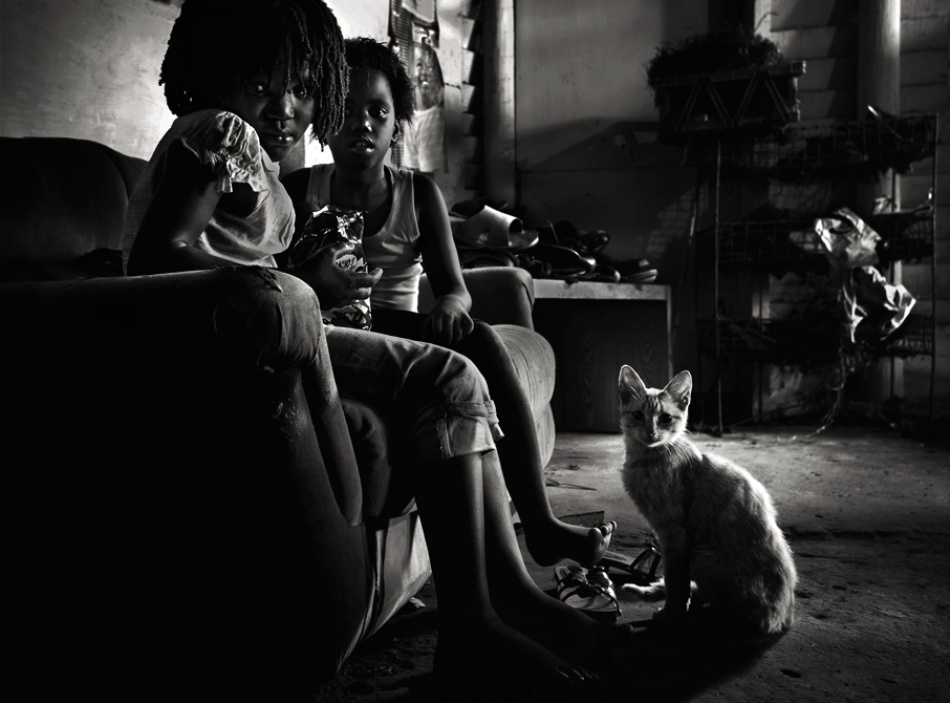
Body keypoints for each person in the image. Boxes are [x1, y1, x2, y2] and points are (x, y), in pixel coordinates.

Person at [123, 1, 629, 698]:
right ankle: (480, 623)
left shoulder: (249, 148)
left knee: (460, 368)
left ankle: (504, 600)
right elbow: (158, 260)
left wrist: (307, 278)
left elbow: (232, 255)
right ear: (214, 70)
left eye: (302, 89)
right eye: (262, 84)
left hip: (278, 328)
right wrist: (308, 282)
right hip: (250, 340)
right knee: (451, 377)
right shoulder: (223, 132)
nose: (285, 107)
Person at [282, 36, 616, 569]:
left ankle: (540, 523)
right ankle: (532, 537)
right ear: (324, 118)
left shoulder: (418, 194)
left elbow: (455, 287)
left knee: (478, 337)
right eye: (346, 108)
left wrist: (451, 308)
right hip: (337, 335)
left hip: (402, 331)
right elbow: (279, 283)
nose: (362, 123)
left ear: (397, 127)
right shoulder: (301, 190)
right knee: (470, 346)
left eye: (378, 112)